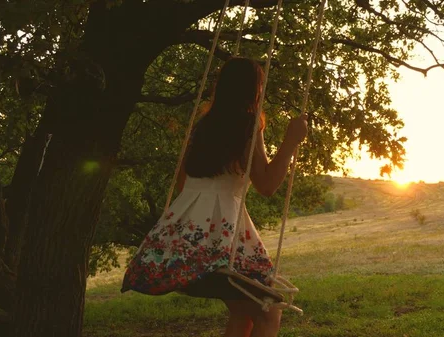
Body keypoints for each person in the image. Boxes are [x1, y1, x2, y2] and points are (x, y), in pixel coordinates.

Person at [121, 57, 308, 337]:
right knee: (269, 312)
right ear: (254, 90)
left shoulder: (204, 126)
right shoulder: (249, 124)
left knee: (243, 312)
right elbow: (267, 185)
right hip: (221, 236)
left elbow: (185, 181)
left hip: (185, 232)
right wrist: (291, 142)